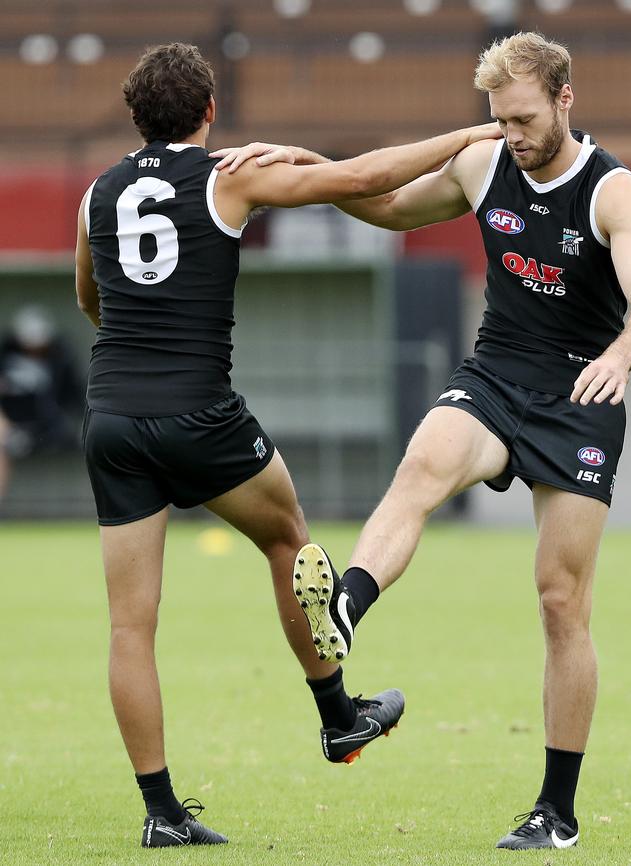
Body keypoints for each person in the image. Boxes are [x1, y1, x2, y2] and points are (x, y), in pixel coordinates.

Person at [216, 31, 631, 851]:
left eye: (524, 118)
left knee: (562, 603)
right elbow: (381, 205)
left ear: (565, 99)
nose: (512, 135)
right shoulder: (484, 163)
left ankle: (555, 812)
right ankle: (346, 603)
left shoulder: (613, 193)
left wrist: (622, 356)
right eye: (499, 119)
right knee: (421, 466)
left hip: (580, 396)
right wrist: (310, 163)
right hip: (494, 376)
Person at [75, 42, 501, 848]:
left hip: (114, 418)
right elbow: (362, 179)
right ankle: (339, 718)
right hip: (202, 414)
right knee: (288, 539)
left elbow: (88, 293)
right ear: (208, 113)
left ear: (136, 116)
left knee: (130, 628)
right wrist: (461, 138)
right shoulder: (228, 175)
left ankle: (163, 816)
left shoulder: (97, 194)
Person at [0, 305, 83, 504]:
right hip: (9, 426)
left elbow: (73, 395)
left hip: (47, 427)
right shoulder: (5, 356)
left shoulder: (60, 359)